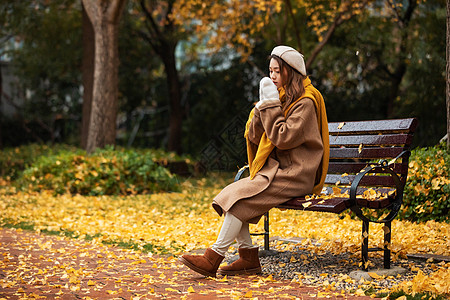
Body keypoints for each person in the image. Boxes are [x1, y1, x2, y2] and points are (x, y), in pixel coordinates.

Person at [179, 45, 330, 277]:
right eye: (270, 71)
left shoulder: (306, 102)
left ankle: (213, 258)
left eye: (277, 71)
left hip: (297, 174)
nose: (272, 77)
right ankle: (248, 259)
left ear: (291, 72)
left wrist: (270, 107)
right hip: (278, 169)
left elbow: (283, 138)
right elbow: (255, 137)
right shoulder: (281, 98)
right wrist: (261, 111)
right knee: (235, 194)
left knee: (240, 203)